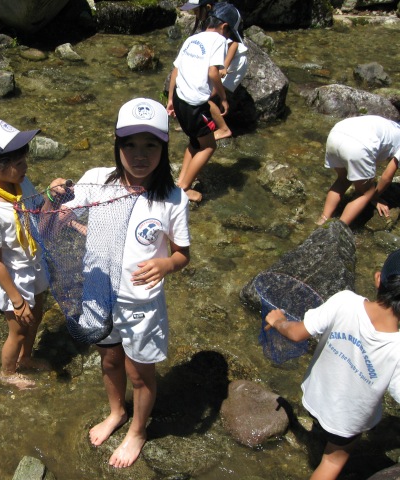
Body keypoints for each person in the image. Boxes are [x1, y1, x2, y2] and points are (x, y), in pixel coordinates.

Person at [78, 98, 191, 468]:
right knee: (110, 359)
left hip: (140, 303)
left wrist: (166, 264)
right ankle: (117, 412)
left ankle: (138, 431)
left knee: (139, 373)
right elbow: (62, 210)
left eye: (150, 146)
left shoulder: (173, 197)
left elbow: (183, 254)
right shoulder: (97, 180)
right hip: (98, 292)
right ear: (117, 144)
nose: (140, 155)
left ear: (164, 148)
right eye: (130, 144)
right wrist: (57, 191)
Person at [264, 249, 400, 480]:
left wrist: (279, 322)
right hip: (348, 421)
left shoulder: (345, 301)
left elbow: (297, 333)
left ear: (378, 278)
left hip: (316, 396)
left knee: (323, 430)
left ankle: (319, 432)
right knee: (332, 462)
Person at [0, 119, 66, 390]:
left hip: (35, 263)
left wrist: (52, 194)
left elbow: (38, 212)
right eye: (19, 163)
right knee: (18, 330)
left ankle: (26, 358)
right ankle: (7, 373)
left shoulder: (23, 185)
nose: (26, 168)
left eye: (25, 161)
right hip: (14, 277)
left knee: (36, 317)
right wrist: (16, 300)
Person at [167, 2, 243, 202]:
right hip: (195, 105)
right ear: (224, 27)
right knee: (209, 146)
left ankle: (181, 182)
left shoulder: (192, 39)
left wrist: (170, 99)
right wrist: (223, 97)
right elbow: (213, 72)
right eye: (230, 33)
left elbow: (176, 70)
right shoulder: (218, 40)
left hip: (180, 99)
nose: (228, 38)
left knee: (195, 142)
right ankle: (184, 189)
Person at [315, 115, 400, 227]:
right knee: (366, 193)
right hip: (359, 145)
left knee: (343, 179)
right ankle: (338, 230)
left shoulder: (392, 126)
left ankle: (322, 220)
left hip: (336, 133)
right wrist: (374, 197)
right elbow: (386, 177)